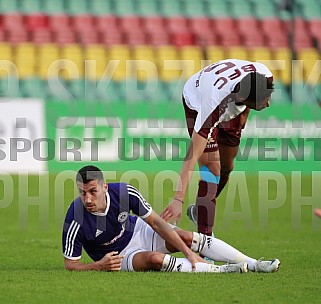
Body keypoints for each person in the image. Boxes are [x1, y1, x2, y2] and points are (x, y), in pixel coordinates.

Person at [62, 165, 280, 273]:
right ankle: (221, 270)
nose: (87, 198)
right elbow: (70, 264)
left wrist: (190, 254)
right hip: (120, 255)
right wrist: (99, 266)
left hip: (138, 230)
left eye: (92, 191)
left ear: (105, 187)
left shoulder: (125, 193)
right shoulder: (75, 217)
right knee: (156, 259)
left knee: (184, 236)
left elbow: (157, 223)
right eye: (82, 192)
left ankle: (254, 263)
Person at [160, 59, 274, 238]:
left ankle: (199, 209)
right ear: (246, 99)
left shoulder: (264, 75)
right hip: (197, 100)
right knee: (212, 169)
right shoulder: (211, 106)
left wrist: (245, 112)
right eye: (263, 101)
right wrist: (178, 199)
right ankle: (206, 239)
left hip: (232, 101)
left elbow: (251, 88)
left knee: (227, 167)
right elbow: (191, 156)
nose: (268, 103)